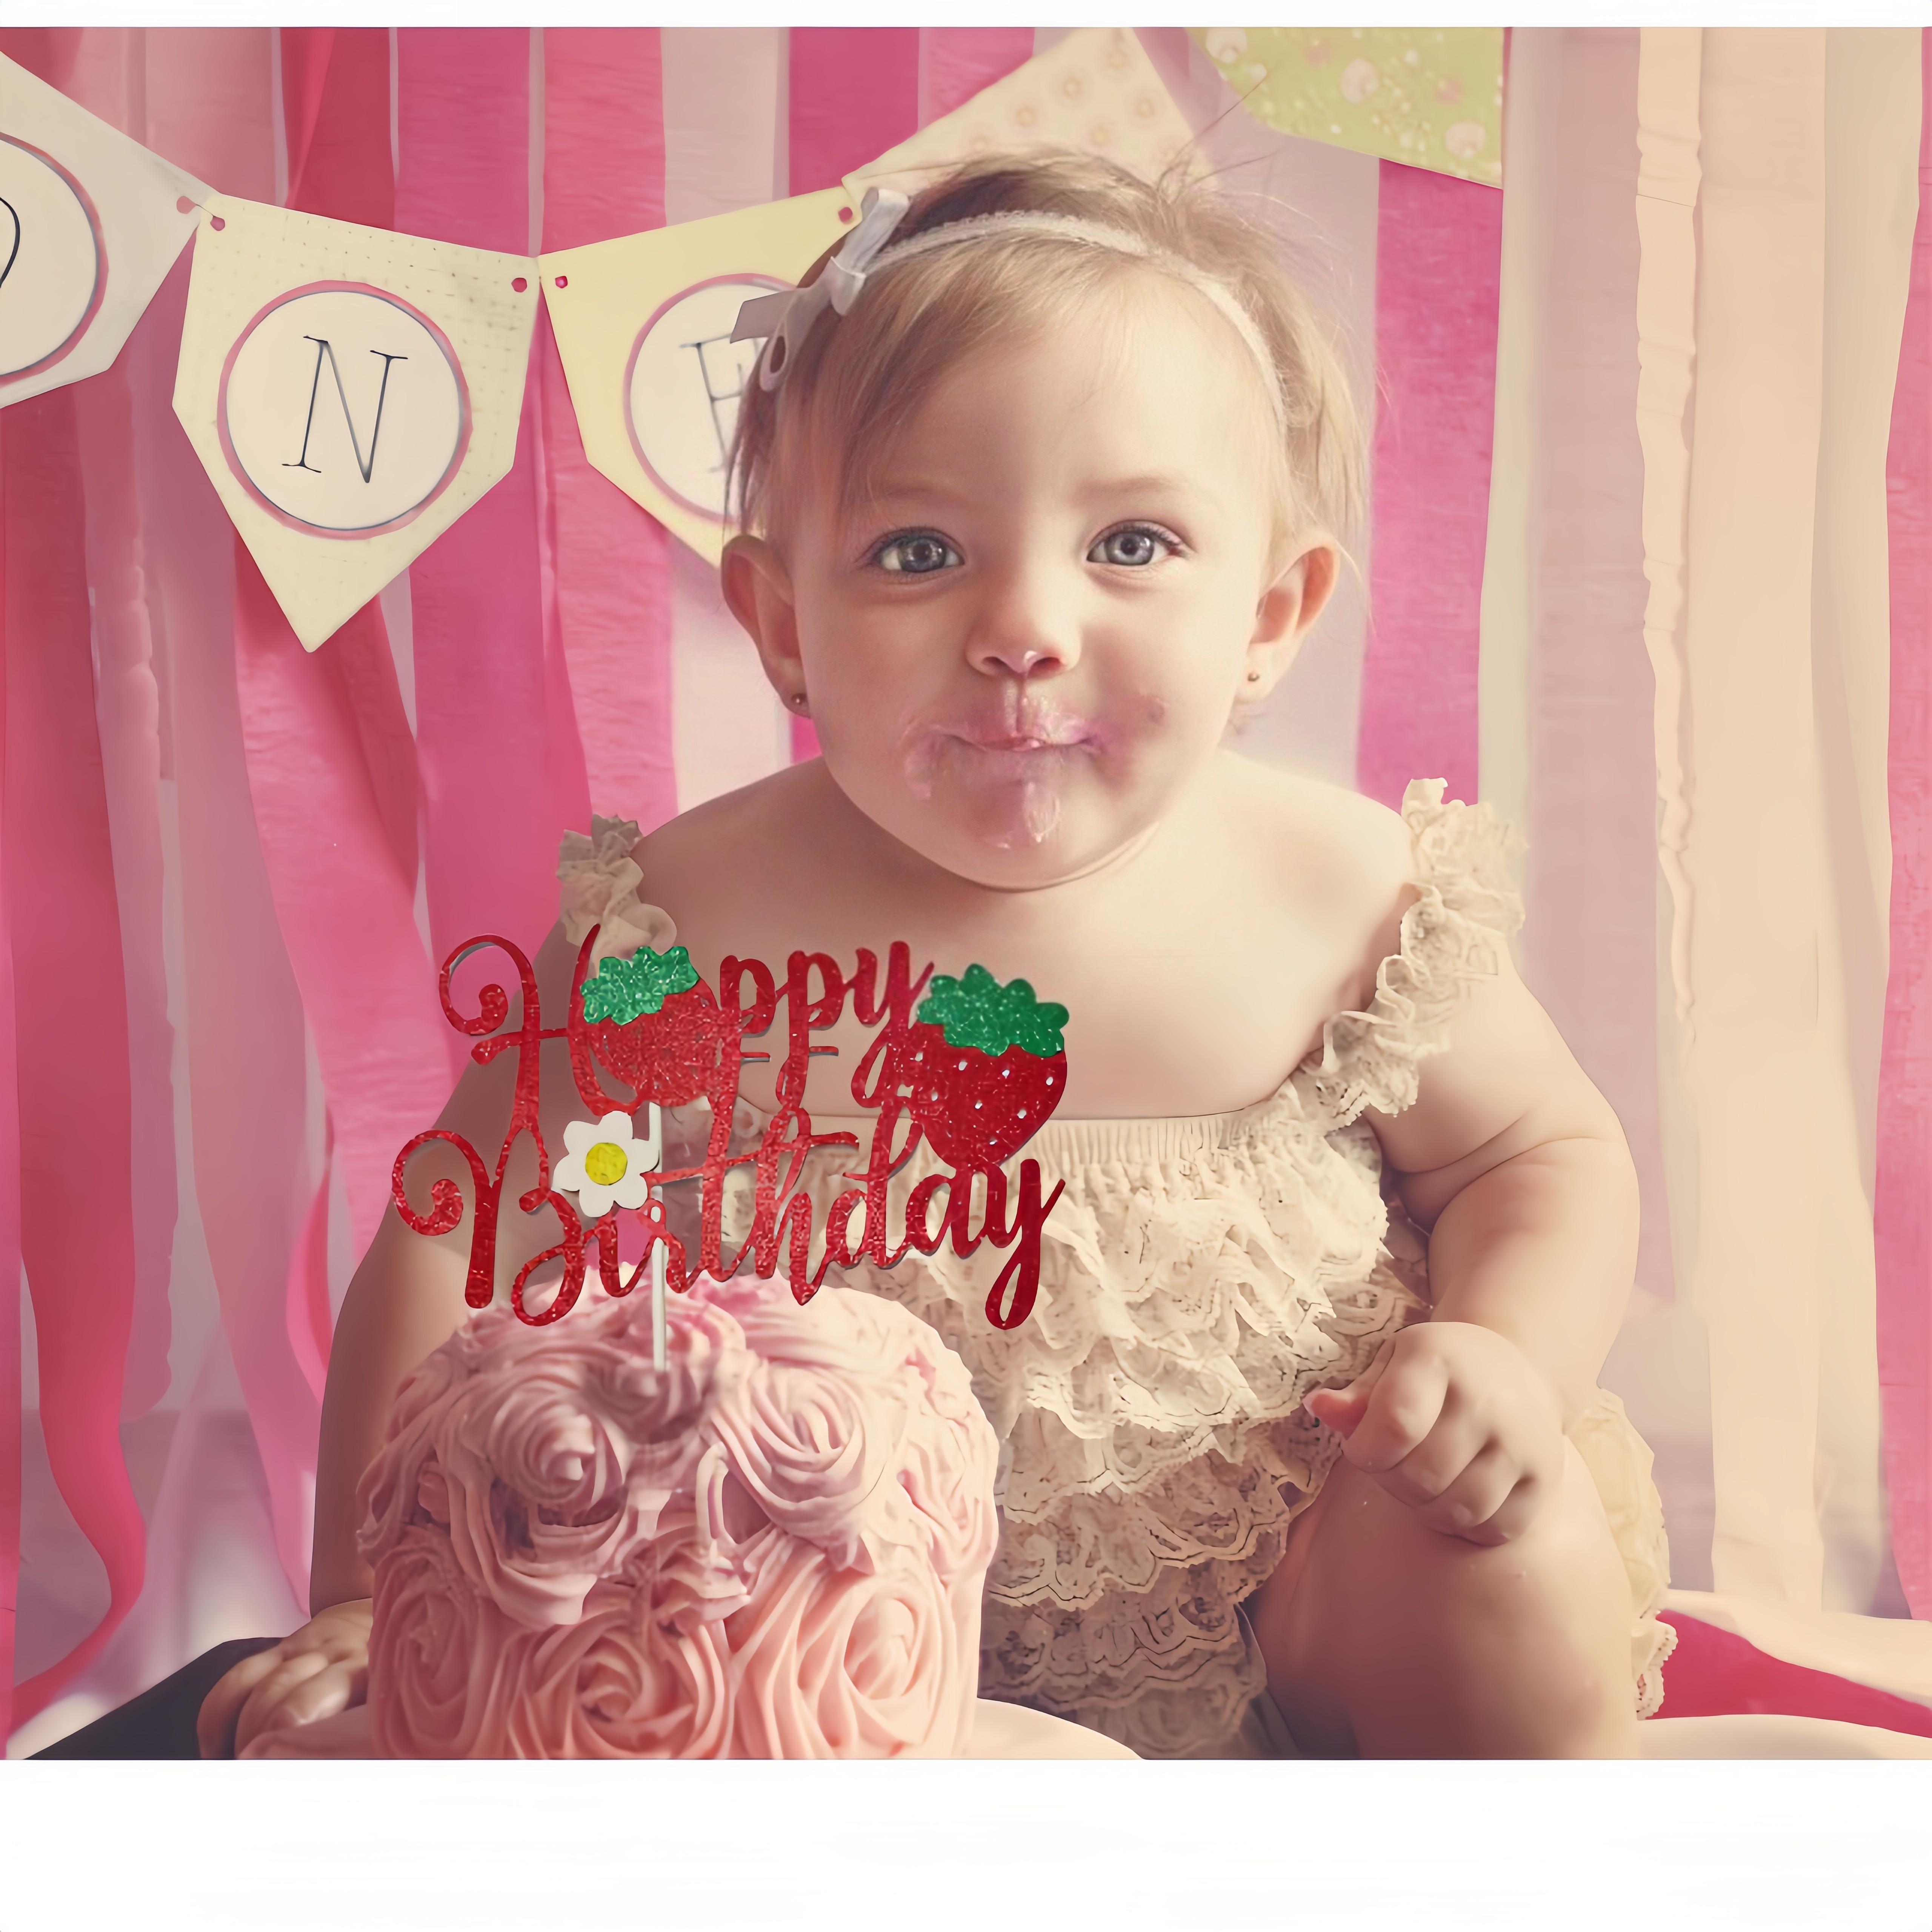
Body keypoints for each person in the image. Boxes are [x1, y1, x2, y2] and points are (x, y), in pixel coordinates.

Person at [197, 151, 1672, 1761]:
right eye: (915, 552)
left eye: (1129, 545)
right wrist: (369, 1594)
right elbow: (465, 1230)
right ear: (775, 618)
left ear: (1269, 613)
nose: (1021, 624)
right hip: (813, 1638)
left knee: (1491, 1561)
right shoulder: (692, 928)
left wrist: (1501, 1357)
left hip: (1300, 1581)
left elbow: (1538, 1154)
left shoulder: (1338, 892)